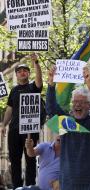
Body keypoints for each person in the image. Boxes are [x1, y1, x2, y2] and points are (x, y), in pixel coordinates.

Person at [46, 65, 90, 190]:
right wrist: (51, 84)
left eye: (82, 102)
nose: (77, 105)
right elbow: (51, 108)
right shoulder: (65, 122)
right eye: (75, 102)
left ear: (89, 105)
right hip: (68, 182)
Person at [0, 54, 42, 188]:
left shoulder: (33, 87)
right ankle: (17, 186)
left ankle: (30, 186)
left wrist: (36, 62)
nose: (22, 73)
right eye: (19, 71)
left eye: (25, 70)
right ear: (16, 75)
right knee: (15, 161)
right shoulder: (14, 90)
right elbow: (9, 110)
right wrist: (3, 124)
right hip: (14, 131)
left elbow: (40, 81)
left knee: (30, 160)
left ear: (28, 74)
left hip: (30, 130)